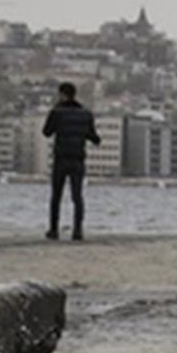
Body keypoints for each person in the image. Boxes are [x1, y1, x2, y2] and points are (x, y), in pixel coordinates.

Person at [41, 83, 100, 240]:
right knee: (77, 196)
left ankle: (54, 230)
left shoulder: (57, 112)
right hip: (78, 159)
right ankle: (78, 230)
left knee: (56, 196)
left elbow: (46, 132)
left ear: (61, 94)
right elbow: (94, 137)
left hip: (61, 158)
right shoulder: (86, 114)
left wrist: (55, 110)